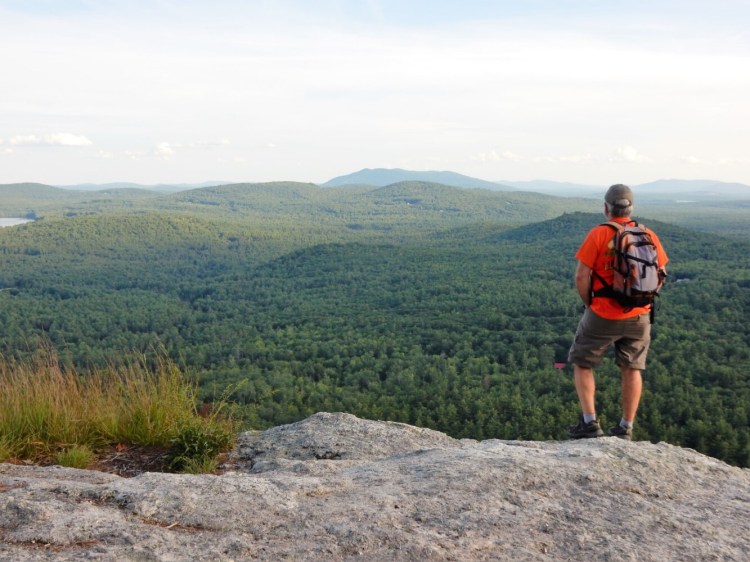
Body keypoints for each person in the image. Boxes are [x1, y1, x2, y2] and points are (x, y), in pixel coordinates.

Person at [567, 184, 668, 440]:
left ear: (606, 208)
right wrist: (641, 300)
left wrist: (589, 301)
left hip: (602, 313)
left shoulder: (600, 234)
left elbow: (581, 275)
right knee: (632, 368)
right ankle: (625, 427)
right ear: (631, 208)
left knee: (582, 361)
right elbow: (661, 273)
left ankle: (589, 424)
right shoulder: (647, 234)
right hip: (639, 314)